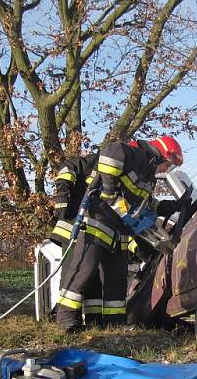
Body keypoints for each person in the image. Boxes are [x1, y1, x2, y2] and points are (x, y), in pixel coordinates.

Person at [56, 136, 184, 331]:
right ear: (159, 155)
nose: (167, 169)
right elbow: (112, 151)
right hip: (97, 223)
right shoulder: (134, 155)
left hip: (120, 232)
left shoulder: (147, 178)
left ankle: (113, 325)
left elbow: (146, 206)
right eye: (168, 164)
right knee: (84, 271)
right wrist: (108, 188)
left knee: (116, 283)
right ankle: (66, 319)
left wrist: (169, 207)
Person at [48, 152, 104, 326]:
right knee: (73, 274)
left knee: (93, 277)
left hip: (91, 234)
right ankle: (65, 318)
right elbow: (67, 169)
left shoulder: (113, 173)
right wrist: (63, 196)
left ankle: (95, 320)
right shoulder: (91, 163)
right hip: (72, 230)